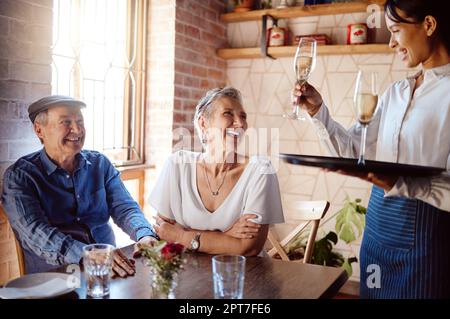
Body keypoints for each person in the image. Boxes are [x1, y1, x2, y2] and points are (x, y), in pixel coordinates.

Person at [293, 0, 450, 298]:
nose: (391, 43)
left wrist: (398, 182)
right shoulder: (396, 92)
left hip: (427, 247)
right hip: (377, 235)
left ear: (428, 25)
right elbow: (355, 150)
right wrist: (318, 112)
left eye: (395, 30)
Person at [1, 95, 158, 277]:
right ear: (39, 130)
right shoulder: (20, 177)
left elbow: (125, 208)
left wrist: (144, 234)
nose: (77, 129)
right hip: (55, 280)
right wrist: (89, 255)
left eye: (80, 122)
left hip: (108, 270)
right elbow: (38, 234)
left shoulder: (100, 164)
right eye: (66, 122)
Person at [149, 87, 284, 256]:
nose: (240, 124)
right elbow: (163, 234)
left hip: (244, 274)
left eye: (243, 116)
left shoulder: (261, 170)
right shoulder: (178, 164)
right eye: (228, 113)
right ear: (203, 123)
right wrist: (226, 235)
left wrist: (181, 235)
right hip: (189, 273)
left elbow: (249, 248)